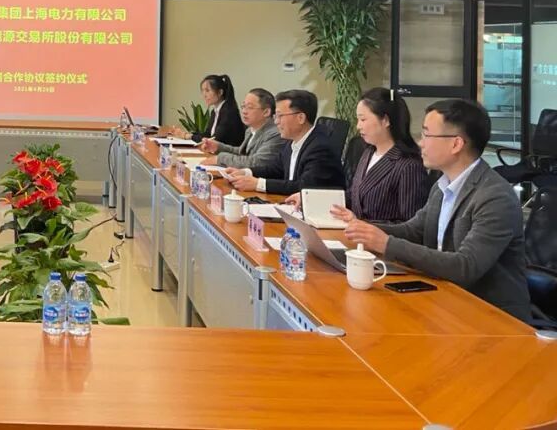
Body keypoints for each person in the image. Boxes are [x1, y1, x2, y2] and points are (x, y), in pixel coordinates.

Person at [339, 99, 530, 322]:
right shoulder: (443, 185)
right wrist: (363, 228)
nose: (421, 143)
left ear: (456, 144)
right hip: (445, 301)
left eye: (427, 135)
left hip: (491, 318)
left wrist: (386, 244)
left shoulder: (495, 196)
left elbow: (465, 266)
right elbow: (414, 231)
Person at [288, 87, 428, 223]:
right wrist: (310, 199)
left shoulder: (408, 165)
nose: (358, 126)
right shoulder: (368, 152)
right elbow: (353, 196)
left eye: (363, 119)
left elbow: (410, 226)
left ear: (385, 120)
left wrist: (360, 223)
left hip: (376, 238)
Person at [224, 89, 344, 195]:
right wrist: (246, 172)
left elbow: (304, 187)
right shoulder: (292, 142)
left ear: (300, 118)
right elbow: (275, 169)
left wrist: (258, 184)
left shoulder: (320, 148)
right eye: (276, 116)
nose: (276, 121)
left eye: (280, 116)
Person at [199, 88, 284, 170]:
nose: (244, 111)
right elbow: (241, 153)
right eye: (243, 106)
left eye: (250, 107)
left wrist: (221, 158)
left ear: (266, 112)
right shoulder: (250, 130)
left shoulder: (275, 134)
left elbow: (257, 162)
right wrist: (218, 147)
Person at [173, 74, 245, 146]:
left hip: (227, 152)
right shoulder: (215, 111)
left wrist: (187, 136)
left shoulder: (229, 112)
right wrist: (187, 134)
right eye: (203, 91)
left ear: (220, 92)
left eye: (207, 90)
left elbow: (214, 139)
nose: (204, 95)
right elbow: (207, 134)